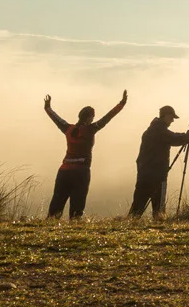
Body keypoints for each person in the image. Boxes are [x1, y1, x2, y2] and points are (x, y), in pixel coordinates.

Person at [42, 89, 127, 220]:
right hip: (81, 172)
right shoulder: (91, 129)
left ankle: (50, 224)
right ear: (89, 118)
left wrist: (47, 107)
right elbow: (108, 117)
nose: (93, 118)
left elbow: (56, 118)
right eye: (93, 116)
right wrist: (122, 103)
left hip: (64, 172)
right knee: (77, 207)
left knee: (56, 204)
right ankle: (74, 226)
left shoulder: (68, 128)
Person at [129, 105, 189, 218]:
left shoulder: (150, 130)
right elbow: (177, 139)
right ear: (166, 116)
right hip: (157, 174)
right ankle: (158, 224)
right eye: (172, 117)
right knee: (159, 208)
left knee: (138, 205)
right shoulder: (161, 132)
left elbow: (173, 137)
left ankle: (130, 223)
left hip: (144, 172)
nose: (172, 120)